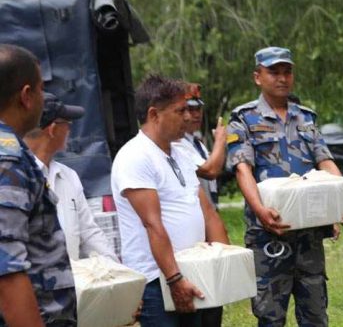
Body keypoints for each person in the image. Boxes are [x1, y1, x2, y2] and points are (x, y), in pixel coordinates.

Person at [226, 46, 343, 326]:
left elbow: (325, 161)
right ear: (257, 77)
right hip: (268, 234)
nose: (282, 78)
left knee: (315, 314)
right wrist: (261, 211)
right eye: (273, 72)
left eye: (287, 72)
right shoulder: (243, 118)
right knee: (270, 315)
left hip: (308, 234)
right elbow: (243, 170)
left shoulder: (306, 118)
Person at [111, 74, 230, 326]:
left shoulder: (180, 153)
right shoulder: (135, 156)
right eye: (180, 111)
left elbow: (206, 211)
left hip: (194, 271)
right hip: (158, 281)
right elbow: (153, 224)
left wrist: (225, 263)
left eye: (189, 110)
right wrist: (175, 280)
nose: (188, 117)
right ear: (154, 114)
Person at [0, 44, 76, 326]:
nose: (44, 99)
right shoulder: (8, 159)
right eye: (41, 89)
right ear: (26, 96)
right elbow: (7, 271)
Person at [23, 92, 118, 262]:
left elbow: (88, 232)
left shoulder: (68, 176)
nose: (70, 129)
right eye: (67, 123)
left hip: (69, 282)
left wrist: (117, 270)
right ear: (52, 129)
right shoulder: (16, 178)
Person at [173, 83, 226, 208]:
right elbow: (210, 171)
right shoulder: (176, 143)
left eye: (198, 109)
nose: (197, 115)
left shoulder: (197, 144)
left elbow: (216, 169)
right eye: (190, 110)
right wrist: (220, 141)